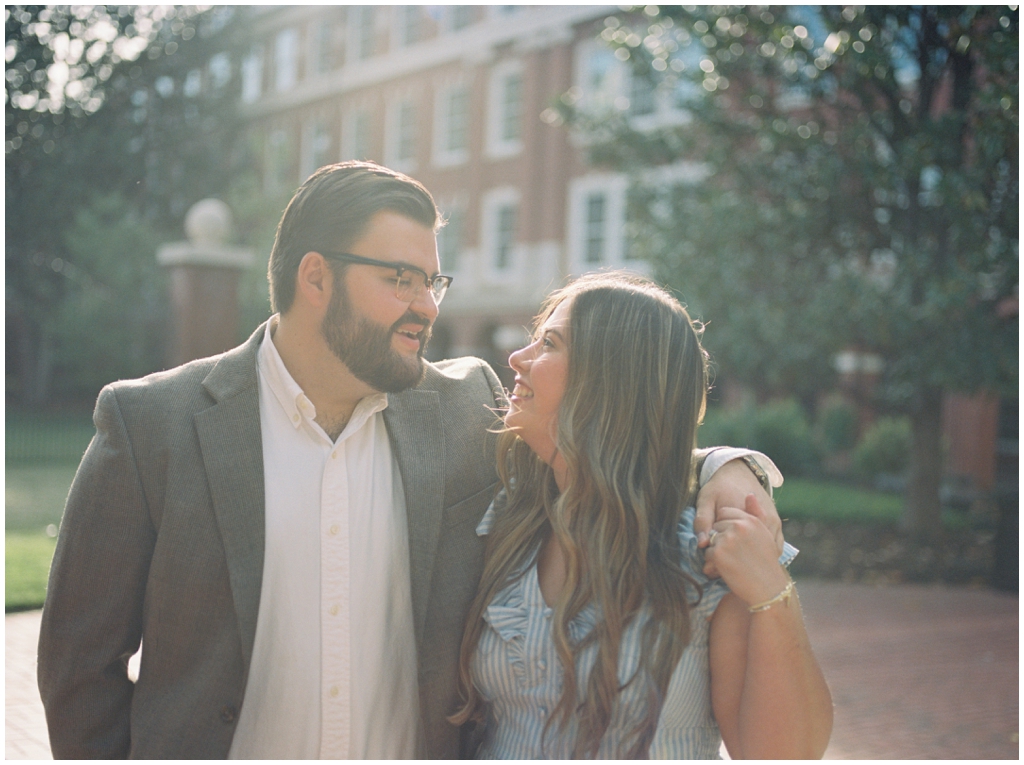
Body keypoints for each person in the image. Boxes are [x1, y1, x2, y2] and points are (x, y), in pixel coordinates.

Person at [37, 162, 782, 759]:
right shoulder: (150, 425)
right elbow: (79, 668)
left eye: (432, 280)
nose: (426, 305)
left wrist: (722, 463)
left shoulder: (467, 407)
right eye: (399, 278)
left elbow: (605, 443)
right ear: (316, 276)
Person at [451, 272, 833, 758]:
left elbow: (783, 755)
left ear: (612, 379)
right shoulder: (507, 518)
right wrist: (724, 461)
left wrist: (771, 591)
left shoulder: (704, 550)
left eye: (549, 343)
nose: (516, 359)